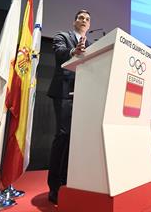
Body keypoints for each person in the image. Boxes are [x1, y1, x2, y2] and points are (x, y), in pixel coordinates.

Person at [46, 10, 91, 204]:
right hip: (64, 92)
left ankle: (67, 181)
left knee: (74, 139)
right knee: (63, 135)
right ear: (74, 22)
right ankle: (54, 187)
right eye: (81, 18)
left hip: (83, 95)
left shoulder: (91, 45)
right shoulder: (62, 36)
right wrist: (74, 51)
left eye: (87, 19)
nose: (84, 20)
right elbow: (60, 55)